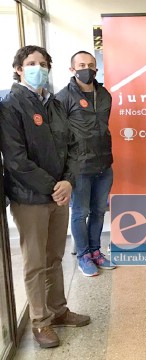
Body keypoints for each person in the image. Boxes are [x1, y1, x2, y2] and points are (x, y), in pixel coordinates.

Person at [0, 45, 90, 348]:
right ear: (18, 69)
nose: (38, 67)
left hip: (58, 196)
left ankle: (59, 310)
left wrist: (68, 181)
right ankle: (40, 322)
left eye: (43, 63)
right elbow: (16, 160)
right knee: (35, 262)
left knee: (55, 257)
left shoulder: (54, 104)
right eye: (31, 63)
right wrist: (55, 185)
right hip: (30, 199)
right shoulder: (10, 105)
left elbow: (74, 147)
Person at [56, 51, 115, 277]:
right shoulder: (63, 98)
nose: (87, 69)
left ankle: (96, 251)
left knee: (99, 211)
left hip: (104, 165)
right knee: (80, 212)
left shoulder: (104, 95)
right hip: (79, 168)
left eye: (91, 65)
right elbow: (59, 135)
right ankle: (83, 256)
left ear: (96, 69)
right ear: (72, 69)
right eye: (81, 65)